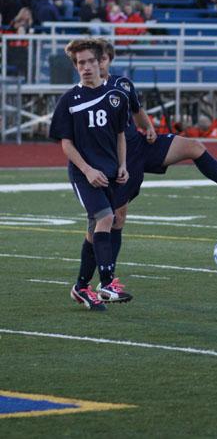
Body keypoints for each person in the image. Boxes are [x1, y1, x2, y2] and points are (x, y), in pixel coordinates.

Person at [76, 40, 217, 298]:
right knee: (114, 220)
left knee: (194, 146)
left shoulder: (122, 84)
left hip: (141, 146)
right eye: (96, 60)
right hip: (119, 161)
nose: (100, 64)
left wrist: (149, 128)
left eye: (105, 59)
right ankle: (103, 282)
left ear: (109, 61)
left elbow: (137, 111)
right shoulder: (86, 94)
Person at [48, 39, 131, 311]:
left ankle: (81, 288)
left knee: (93, 231)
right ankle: (107, 283)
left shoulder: (117, 96)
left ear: (101, 62)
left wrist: (123, 165)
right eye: (79, 63)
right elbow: (66, 144)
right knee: (106, 217)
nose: (84, 67)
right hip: (83, 174)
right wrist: (87, 169)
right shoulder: (69, 100)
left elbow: (120, 135)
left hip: (108, 172)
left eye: (89, 61)